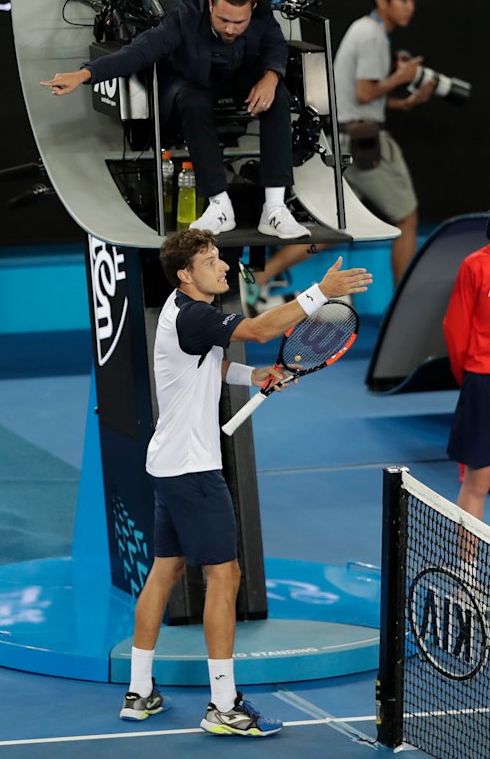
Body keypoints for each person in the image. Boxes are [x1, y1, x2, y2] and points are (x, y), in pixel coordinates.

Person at [118, 227, 372, 736]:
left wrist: (251, 377)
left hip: (168, 465)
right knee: (224, 577)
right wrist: (320, 293)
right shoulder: (195, 315)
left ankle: (139, 691)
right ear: (187, 275)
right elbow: (257, 330)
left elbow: (206, 366)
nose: (225, 266)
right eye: (212, 260)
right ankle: (224, 705)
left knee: (164, 570)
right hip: (192, 470)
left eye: (220, 257)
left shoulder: (181, 311)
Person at [41, 0, 309, 240]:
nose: (230, 29)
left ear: (251, 9)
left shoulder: (261, 10)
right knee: (192, 101)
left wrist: (271, 77)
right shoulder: (187, 15)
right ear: (210, 5)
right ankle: (220, 206)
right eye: (223, 20)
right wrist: (84, 75)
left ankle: (274, 208)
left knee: (279, 98)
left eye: (239, 23)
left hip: (239, 77)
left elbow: (275, 46)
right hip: (194, 81)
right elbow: (140, 51)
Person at [333, 0, 435, 287]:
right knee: (406, 218)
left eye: (412, 0)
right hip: (363, 144)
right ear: (382, 1)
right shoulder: (372, 35)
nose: (410, 7)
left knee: (331, 230)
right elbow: (365, 93)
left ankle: (262, 280)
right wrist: (401, 78)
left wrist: (405, 101)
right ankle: (403, 300)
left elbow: (358, 95)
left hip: (344, 139)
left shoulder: (366, 31)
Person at [443, 206, 490, 546]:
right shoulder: (475, 264)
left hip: (483, 382)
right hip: (483, 380)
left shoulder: (474, 264)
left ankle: (468, 576)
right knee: (476, 484)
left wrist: (470, 380)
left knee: (475, 484)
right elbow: (455, 328)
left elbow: (455, 331)